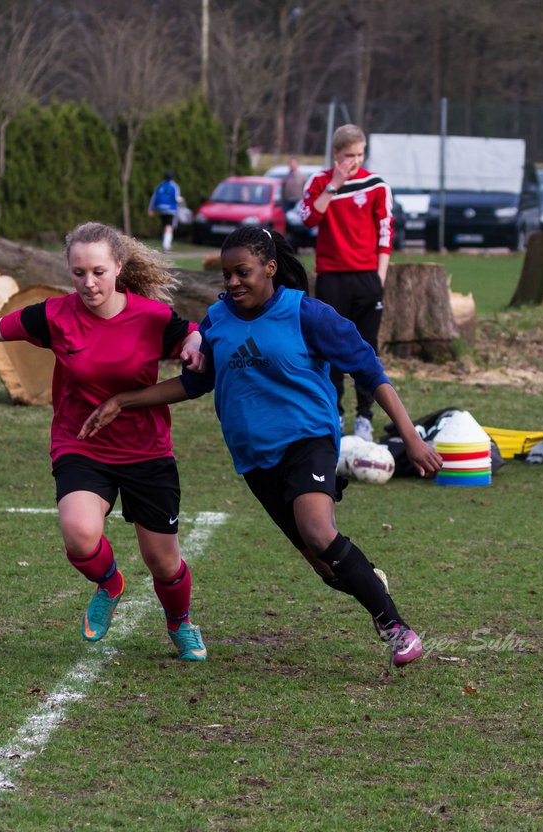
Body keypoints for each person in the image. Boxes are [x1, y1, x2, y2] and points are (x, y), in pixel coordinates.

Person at [80, 226, 442, 668]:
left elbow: (370, 371)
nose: (233, 282)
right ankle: (364, 576)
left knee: (317, 530)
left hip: (307, 441)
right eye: (228, 274)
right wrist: (124, 400)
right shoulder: (218, 321)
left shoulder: (307, 314)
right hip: (254, 458)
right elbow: (196, 382)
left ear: (270, 269)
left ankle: (396, 628)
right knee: (325, 566)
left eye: (243, 272)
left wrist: (411, 437)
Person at [0, 222, 209, 661]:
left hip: (146, 451)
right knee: (80, 536)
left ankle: (180, 623)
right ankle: (110, 583)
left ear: (119, 266)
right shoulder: (56, 315)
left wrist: (194, 343)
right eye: (78, 273)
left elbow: (191, 334)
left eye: (98, 271)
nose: (88, 283)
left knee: (164, 563)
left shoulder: (151, 318)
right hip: (81, 444)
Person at [298, 124, 394, 443]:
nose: (355, 161)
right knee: (330, 349)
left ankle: (365, 417)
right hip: (331, 278)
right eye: (348, 155)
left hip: (366, 278)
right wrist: (335, 185)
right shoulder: (319, 182)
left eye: (360, 154)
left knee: (366, 349)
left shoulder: (376, 184)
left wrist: (378, 277)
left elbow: (385, 232)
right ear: (336, 154)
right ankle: (334, 414)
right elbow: (309, 218)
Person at [148, 171, 183, 252]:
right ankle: (166, 245)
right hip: (171, 209)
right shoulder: (174, 186)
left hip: (161, 209)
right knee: (169, 226)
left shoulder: (160, 186)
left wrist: (151, 209)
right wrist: (181, 199)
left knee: (165, 226)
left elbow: (154, 198)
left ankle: (165, 244)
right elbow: (176, 198)